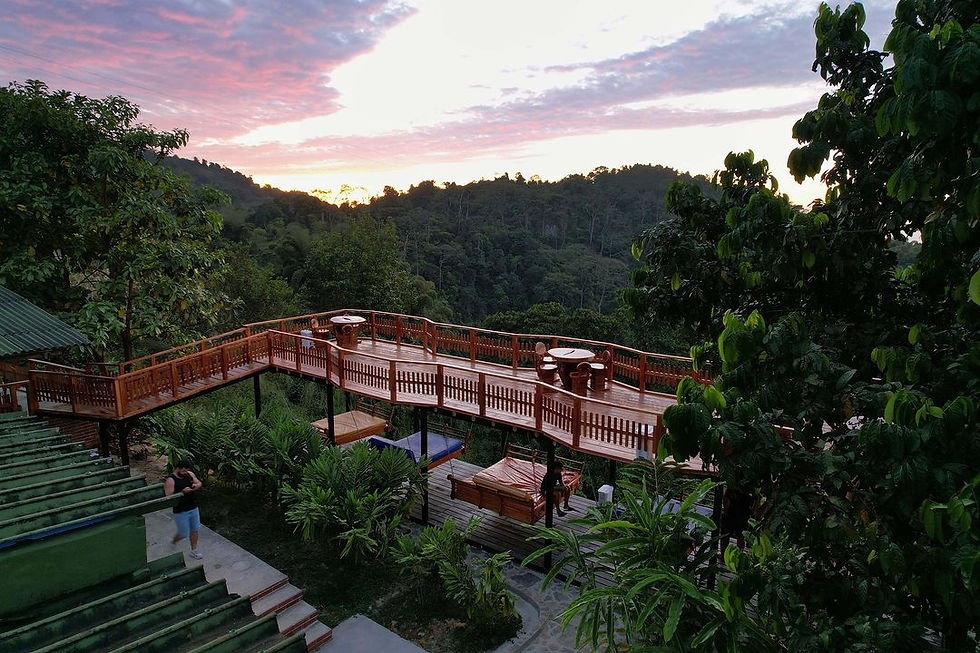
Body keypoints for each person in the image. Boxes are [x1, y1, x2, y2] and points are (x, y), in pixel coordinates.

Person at [164, 460, 203, 559]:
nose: (185, 473)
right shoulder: (171, 480)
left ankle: (194, 550)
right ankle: (173, 541)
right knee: (183, 533)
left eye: (186, 471)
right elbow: (168, 497)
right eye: (184, 471)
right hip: (180, 511)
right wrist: (182, 492)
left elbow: (199, 483)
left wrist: (196, 486)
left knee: (195, 529)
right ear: (178, 468)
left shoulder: (190, 474)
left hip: (193, 507)